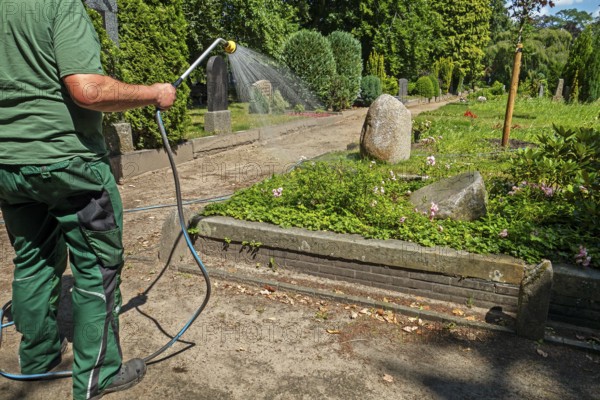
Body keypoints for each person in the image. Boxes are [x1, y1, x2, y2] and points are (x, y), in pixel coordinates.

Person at [0, 1, 176, 399]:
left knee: (32, 261)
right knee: (98, 268)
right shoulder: (59, 6)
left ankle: (39, 360)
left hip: (9, 167)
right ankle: (98, 375)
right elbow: (89, 90)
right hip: (69, 167)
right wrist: (155, 94)